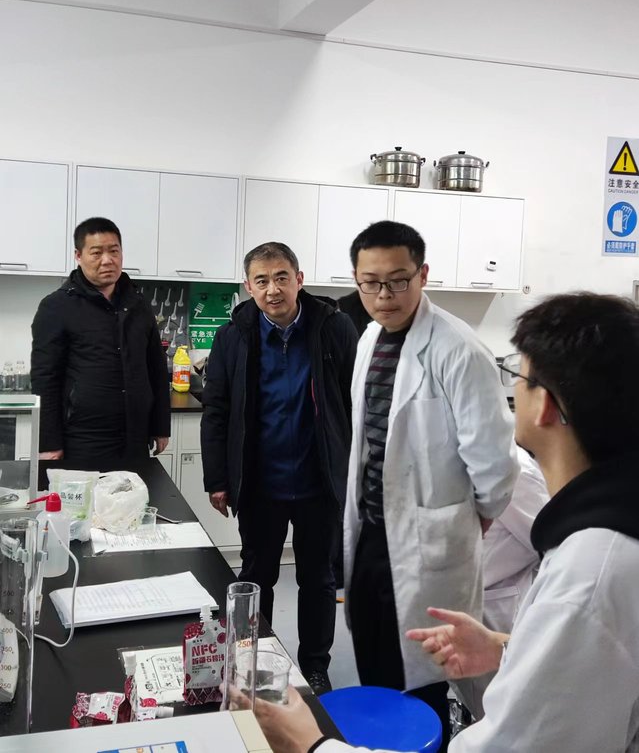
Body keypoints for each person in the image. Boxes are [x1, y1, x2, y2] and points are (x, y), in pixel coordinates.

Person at [250, 291, 639, 753]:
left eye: (518, 375)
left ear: (545, 406)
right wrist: (507, 649)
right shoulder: (607, 533)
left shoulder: (588, 575)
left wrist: (312, 745)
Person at [344, 220, 518, 745]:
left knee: (422, 681)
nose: (384, 295)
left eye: (398, 280)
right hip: (371, 535)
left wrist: (469, 519)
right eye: (371, 282)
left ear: (422, 275)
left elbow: (494, 464)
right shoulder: (369, 338)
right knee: (374, 662)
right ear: (357, 281)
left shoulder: (458, 349)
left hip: (430, 546)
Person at [200, 241, 358, 695]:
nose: (273, 289)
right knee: (256, 578)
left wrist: (356, 472)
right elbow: (217, 410)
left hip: (319, 481)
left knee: (319, 579)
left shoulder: (334, 328)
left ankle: (315, 667)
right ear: (248, 287)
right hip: (260, 483)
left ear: (299, 280)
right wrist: (218, 479)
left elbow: (357, 402)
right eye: (262, 280)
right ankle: (253, 659)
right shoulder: (234, 336)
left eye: (282, 277)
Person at [31, 217, 170, 461]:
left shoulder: (138, 304)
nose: (107, 260)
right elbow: (45, 379)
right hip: (83, 439)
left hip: (135, 437)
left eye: (114, 251)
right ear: (78, 255)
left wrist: (160, 426)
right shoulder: (56, 307)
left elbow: (156, 368)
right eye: (96, 253)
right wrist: (49, 442)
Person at [456, 445, 548, 719]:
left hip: (497, 613)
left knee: (503, 714)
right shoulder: (456, 455)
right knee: (485, 708)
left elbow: (553, 540)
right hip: (471, 605)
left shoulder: (513, 469)